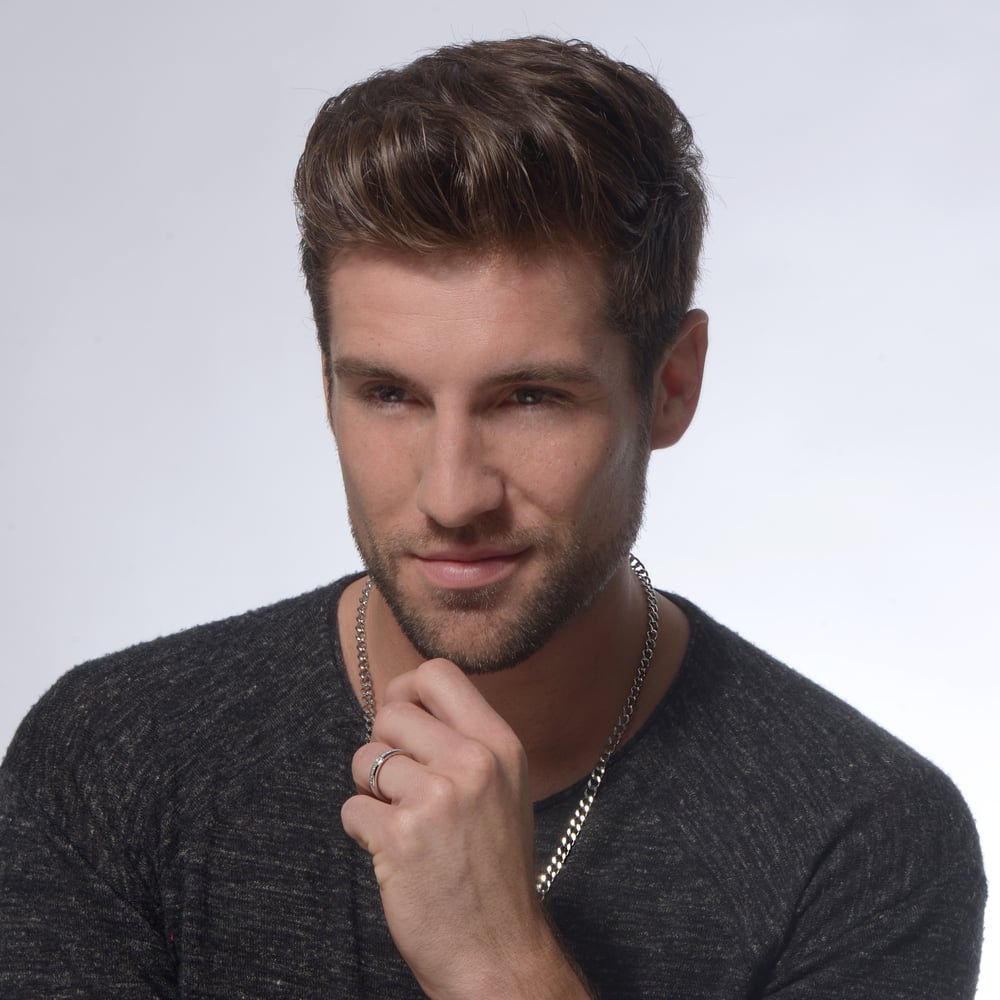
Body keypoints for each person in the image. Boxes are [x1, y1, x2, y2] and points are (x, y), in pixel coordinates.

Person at [0, 35, 986, 999]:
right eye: (390, 395)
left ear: (671, 386)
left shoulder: (863, 843)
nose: (452, 495)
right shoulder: (113, 759)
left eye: (529, 398)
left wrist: (499, 966)